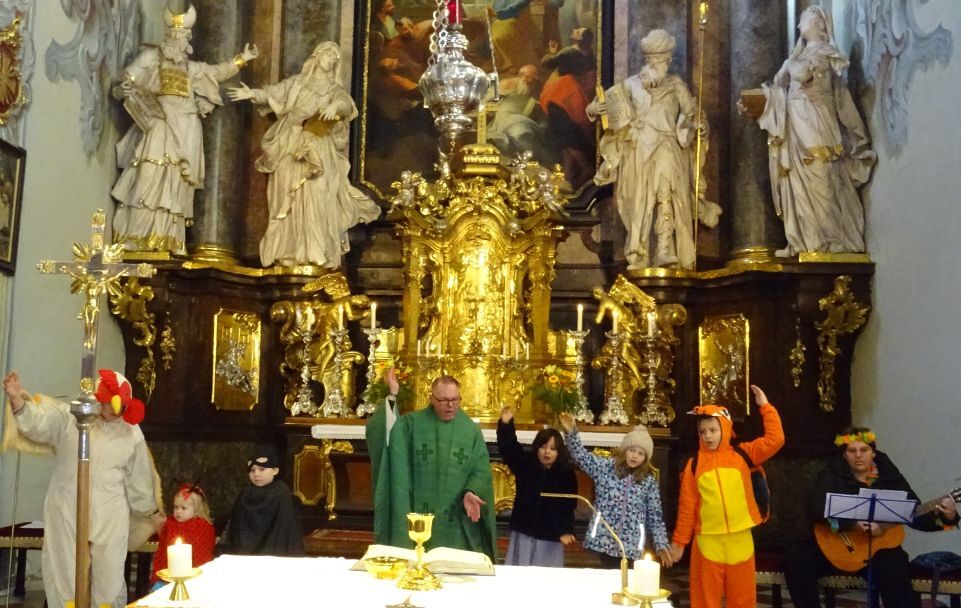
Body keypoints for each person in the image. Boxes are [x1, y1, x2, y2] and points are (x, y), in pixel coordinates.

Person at [3, 369, 158, 608]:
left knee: (109, 575)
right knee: (64, 569)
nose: (114, 411)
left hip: (110, 509)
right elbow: (40, 423)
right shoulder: (71, 418)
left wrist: (148, 510)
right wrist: (17, 400)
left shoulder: (131, 431)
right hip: (67, 504)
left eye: (119, 406)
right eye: (108, 404)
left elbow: (139, 476)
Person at [111, 6, 259, 255]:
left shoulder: (192, 69)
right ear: (169, 36)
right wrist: (121, 90)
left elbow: (217, 72)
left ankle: (166, 238)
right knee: (149, 172)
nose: (181, 41)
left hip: (187, 126)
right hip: (160, 122)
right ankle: (136, 236)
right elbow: (125, 81)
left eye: (185, 37)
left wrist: (241, 59)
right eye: (177, 36)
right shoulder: (151, 57)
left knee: (176, 180)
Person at [228, 42, 381, 268]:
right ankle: (289, 250)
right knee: (286, 194)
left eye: (335, 58)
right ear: (317, 56)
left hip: (318, 143)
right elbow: (272, 92)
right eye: (328, 55)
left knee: (317, 194)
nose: (331, 60)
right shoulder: (297, 83)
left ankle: (315, 250)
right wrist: (252, 93)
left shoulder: (334, 90)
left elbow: (346, 105)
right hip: (290, 142)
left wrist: (334, 107)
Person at [586, 29, 721, 271]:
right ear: (647, 59)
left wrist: (700, 126)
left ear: (669, 60)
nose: (658, 64)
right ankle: (640, 251)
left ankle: (665, 248)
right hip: (638, 149)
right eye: (654, 59)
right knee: (640, 200)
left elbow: (693, 114)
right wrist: (594, 109)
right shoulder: (630, 85)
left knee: (666, 192)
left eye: (662, 59)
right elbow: (603, 105)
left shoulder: (676, 86)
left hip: (667, 145)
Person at [747, 6, 875, 258]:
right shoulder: (802, 55)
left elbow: (802, 75)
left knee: (820, 176)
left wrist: (789, 62)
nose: (798, 26)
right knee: (796, 179)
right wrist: (759, 102)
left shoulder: (824, 52)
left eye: (804, 20)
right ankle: (804, 239)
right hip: (796, 124)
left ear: (821, 24)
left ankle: (832, 238)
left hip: (816, 122)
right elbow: (779, 84)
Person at [783, 427, 959, 608]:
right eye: (852, 451)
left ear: (873, 453)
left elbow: (914, 513)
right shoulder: (831, 474)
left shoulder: (890, 477)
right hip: (836, 544)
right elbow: (814, 509)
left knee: (896, 568)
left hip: (878, 553)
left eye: (864, 450)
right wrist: (853, 525)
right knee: (798, 558)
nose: (858, 455)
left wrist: (949, 516)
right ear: (844, 455)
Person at [669, 385, 785, 608]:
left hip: (740, 539)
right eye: (703, 432)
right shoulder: (694, 465)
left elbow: (776, 439)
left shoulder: (743, 454)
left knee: (743, 600)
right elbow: (687, 507)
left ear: (724, 427)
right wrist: (679, 542)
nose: (708, 436)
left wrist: (765, 407)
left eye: (713, 430)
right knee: (705, 601)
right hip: (707, 541)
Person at [367, 371, 497, 560]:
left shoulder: (470, 430)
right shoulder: (412, 424)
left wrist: (471, 491)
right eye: (444, 400)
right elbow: (388, 435)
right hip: (417, 516)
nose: (450, 405)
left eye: (455, 400)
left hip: (456, 521)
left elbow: (481, 469)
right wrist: (393, 395)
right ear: (431, 399)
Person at [558, 413, 673, 568]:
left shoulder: (648, 482)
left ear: (646, 458)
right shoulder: (606, 468)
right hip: (603, 539)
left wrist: (661, 544)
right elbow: (582, 457)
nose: (635, 456)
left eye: (640, 453)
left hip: (631, 545)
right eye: (632, 450)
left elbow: (655, 517)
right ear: (624, 450)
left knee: (627, 579)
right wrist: (571, 433)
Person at [497, 406, 577, 567]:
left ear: (559, 452)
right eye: (543, 447)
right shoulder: (526, 464)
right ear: (536, 447)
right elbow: (509, 448)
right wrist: (506, 424)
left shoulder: (565, 473)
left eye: (553, 449)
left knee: (545, 576)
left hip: (550, 534)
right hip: (525, 530)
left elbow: (568, 505)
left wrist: (566, 530)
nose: (547, 452)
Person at [222, 447, 304, 556]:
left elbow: (287, 530)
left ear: (275, 471)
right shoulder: (245, 493)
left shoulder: (282, 494)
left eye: (262, 469)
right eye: (252, 470)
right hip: (244, 555)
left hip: (275, 554)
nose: (256, 474)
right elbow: (234, 527)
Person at [149, 482, 216, 591]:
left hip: (193, 579)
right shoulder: (170, 524)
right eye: (176, 507)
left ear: (197, 510)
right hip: (167, 576)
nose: (178, 511)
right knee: (157, 592)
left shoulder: (203, 527)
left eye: (183, 508)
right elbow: (162, 548)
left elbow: (203, 553)